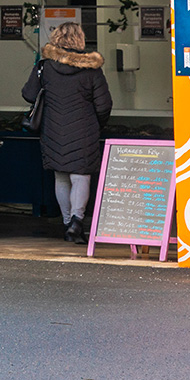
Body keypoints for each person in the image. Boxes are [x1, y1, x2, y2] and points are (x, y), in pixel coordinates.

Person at [22, 22, 112, 242]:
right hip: (84, 129)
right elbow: (104, 105)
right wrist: (96, 123)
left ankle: (67, 224)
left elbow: (28, 94)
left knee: (61, 177)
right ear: (80, 39)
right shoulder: (91, 69)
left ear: (56, 38)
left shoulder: (45, 66)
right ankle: (76, 221)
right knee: (81, 176)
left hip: (52, 128)